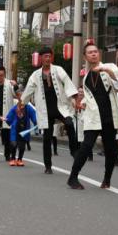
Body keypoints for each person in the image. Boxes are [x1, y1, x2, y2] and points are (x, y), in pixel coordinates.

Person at [67, 41, 118, 191]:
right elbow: (90, 96)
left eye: (95, 51)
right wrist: (83, 102)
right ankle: (73, 177)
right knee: (86, 147)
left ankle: (107, 179)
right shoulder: (86, 77)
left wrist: (105, 69)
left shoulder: (109, 67)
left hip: (109, 116)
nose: (93, 54)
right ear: (85, 57)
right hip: (94, 118)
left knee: (111, 150)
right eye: (90, 52)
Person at [20, 46, 79, 174]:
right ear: (41, 58)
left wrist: (75, 98)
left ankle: (74, 150)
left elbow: (67, 82)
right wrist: (22, 104)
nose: (47, 58)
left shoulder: (58, 70)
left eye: (49, 56)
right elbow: (28, 91)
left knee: (69, 123)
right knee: (47, 137)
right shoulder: (35, 75)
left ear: (51, 57)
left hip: (60, 106)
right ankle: (48, 166)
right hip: (45, 109)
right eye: (45, 56)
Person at [4, 99, 37, 166]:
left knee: (22, 146)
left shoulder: (28, 108)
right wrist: (6, 120)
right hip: (15, 129)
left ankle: (20, 159)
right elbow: (9, 118)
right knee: (13, 144)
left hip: (24, 129)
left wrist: (36, 122)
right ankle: (13, 158)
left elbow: (34, 116)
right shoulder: (14, 108)